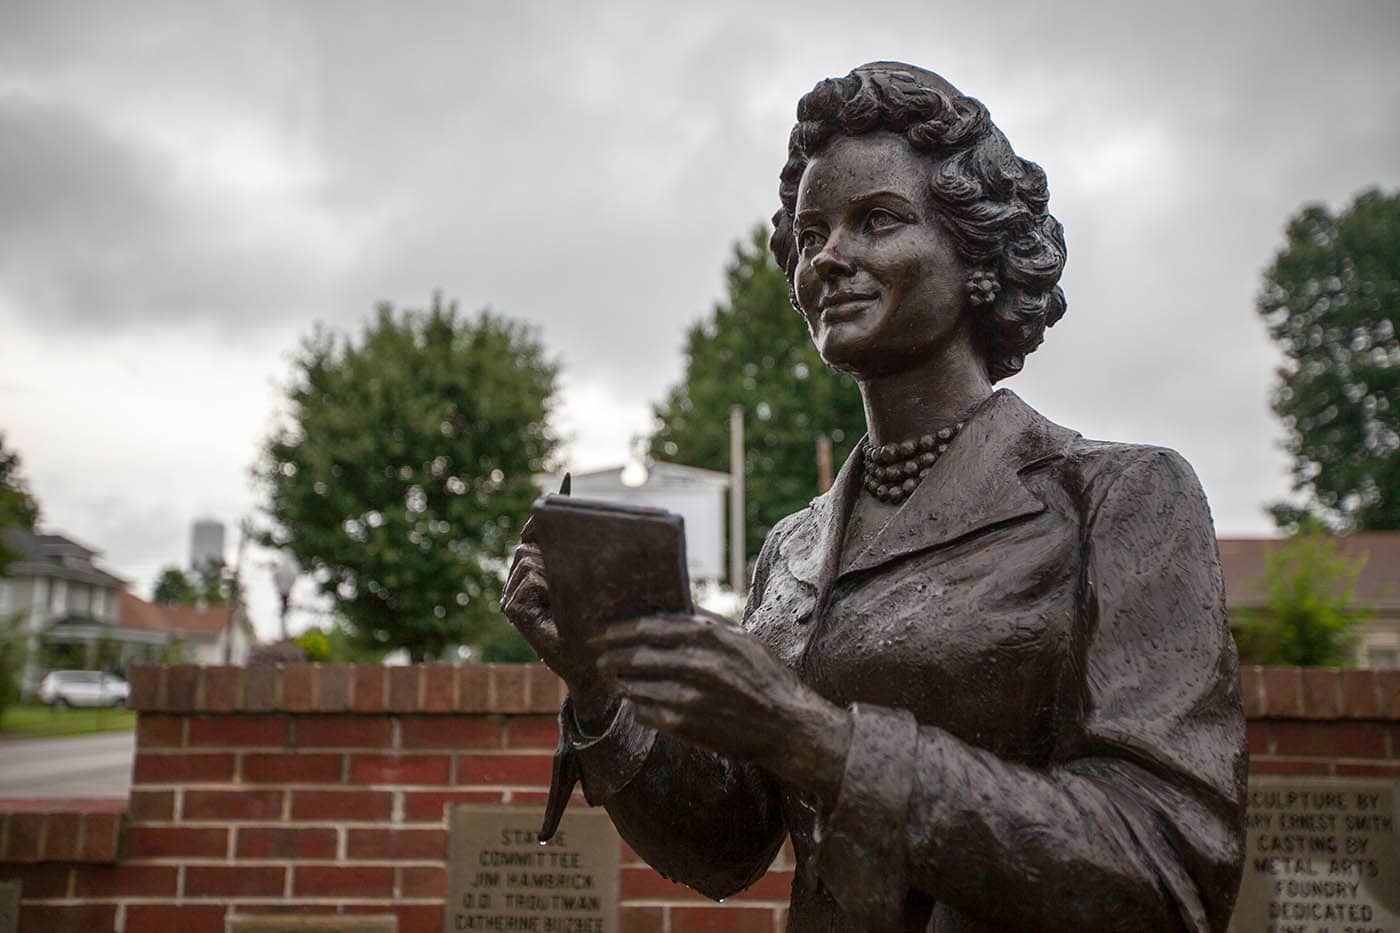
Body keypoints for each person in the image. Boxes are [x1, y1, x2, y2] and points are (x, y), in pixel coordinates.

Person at [502, 62, 1247, 932]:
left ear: (978, 250)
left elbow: (1168, 867)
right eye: (810, 234)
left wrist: (813, 736)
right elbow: (725, 848)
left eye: (877, 221)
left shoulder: (1118, 496)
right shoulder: (792, 548)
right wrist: (601, 688)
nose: (829, 258)